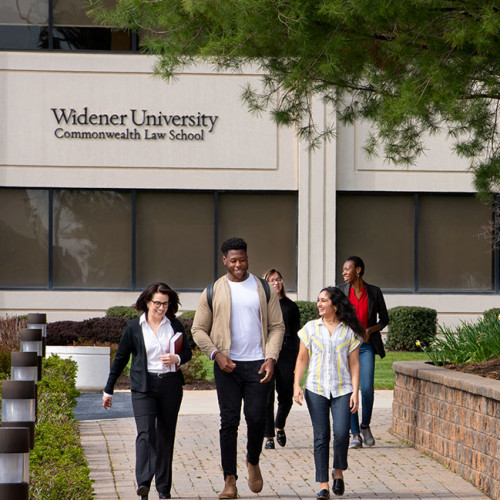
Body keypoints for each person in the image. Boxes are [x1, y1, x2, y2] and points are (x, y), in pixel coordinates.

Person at [192, 237, 285, 499]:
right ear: (224, 261)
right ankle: (229, 481)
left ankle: (252, 460)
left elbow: (277, 326)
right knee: (228, 422)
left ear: (247, 257)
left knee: (256, 419)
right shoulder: (212, 291)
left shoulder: (264, 288)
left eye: (242, 259)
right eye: (233, 260)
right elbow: (198, 329)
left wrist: (271, 357)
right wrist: (216, 354)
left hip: (258, 365)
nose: (238, 264)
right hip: (227, 367)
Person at [102, 282, 192, 500]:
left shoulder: (174, 325)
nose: (161, 308)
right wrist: (108, 389)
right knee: (145, 433)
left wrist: (177, 358)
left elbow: (187, 351)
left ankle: (163, 488)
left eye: (165, 304)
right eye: (157, 303)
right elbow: (121, 359)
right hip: (143, 387)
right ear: (147, 302)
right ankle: (143, 484)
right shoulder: (134, 327)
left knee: (165, 436)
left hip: (170, 385)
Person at [294, 287, 361, 499]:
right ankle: (323, 485)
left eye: (324, 301)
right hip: (316, 388)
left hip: (342, 389)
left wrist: (355, 392)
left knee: (342, 433)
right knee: (321, 436)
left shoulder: (348, 331)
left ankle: (338, 471)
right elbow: (302, 358)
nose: (319, 304)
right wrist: (296, 385)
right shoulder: (310, 328)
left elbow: (355, 364)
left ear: (335, 305)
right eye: (318, 300)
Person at [336, 256, 389, 449]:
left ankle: (365, 425)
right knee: (350, 389)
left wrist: (370, 330)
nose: (344, 272)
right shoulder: (341, 291)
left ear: (358, 270)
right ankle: (355, 434)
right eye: (343, 269)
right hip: (346, 348)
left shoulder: (374, 292)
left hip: (366, 347)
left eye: (347, 269)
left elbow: (385, 319)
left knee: (366, 388)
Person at [262, 268, 300, 450]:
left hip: (286, 353)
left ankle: (280, 425)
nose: (276, 283)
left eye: (278, 279)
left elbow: (296, 334)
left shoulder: (291, 307)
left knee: (285, 396)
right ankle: (268, 435)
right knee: (267, 397)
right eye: (271, 280)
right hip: (266, 353)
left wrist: (298, 356)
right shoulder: (262, 305)